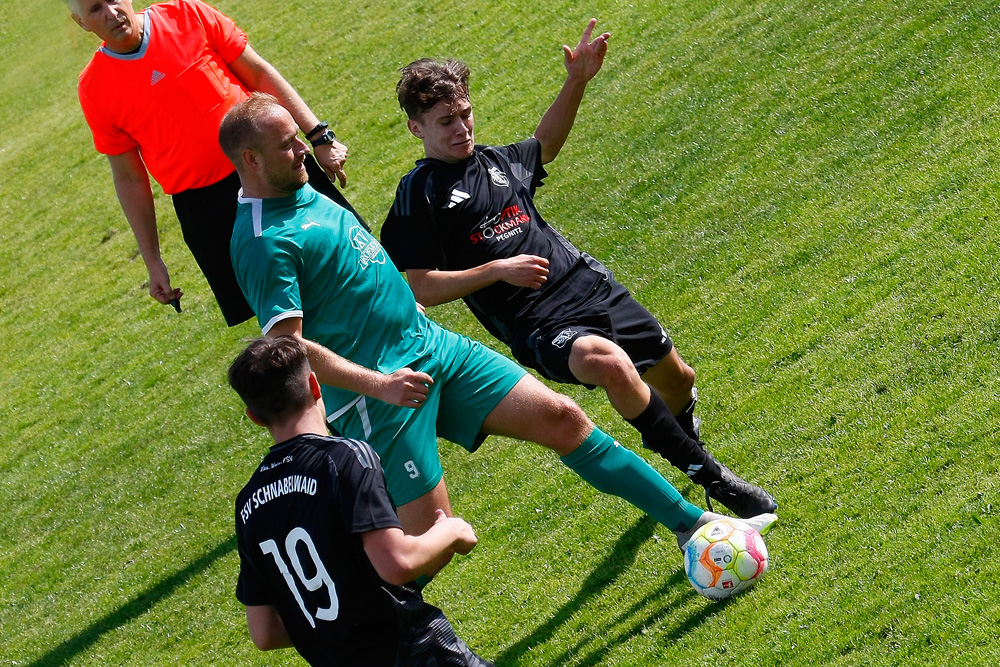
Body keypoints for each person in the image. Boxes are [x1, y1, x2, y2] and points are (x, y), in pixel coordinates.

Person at [219, 93, 776, 555]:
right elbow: (286, 350)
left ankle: (693, 526)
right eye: (287, 144)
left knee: (563, 418)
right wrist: (377, 383)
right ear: (250, 159)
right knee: (428, 547)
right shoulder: (264, 242)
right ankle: (345, 613)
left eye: (299, 137)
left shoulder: (300, 189)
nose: (301, 149)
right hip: (379, 396)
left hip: (433, 348)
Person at [379, 20, 776, 519]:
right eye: (445, 121)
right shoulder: (420, 195)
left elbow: (543, 145)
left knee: (676, 380)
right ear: (417, 128)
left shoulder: (498, 163)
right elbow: (420, 286)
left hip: (591, 287)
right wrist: (498, 269)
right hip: (538, 323)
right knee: (608, 364)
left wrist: (578, 80)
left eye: (465, 113)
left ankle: (681, 440)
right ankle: (713, 479)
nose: (462, 128)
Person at [66, 0, 363, 325]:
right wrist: (153, 261)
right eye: (95, 8)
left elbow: (259, 73)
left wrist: (319, 136)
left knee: (350, 258)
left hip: (270, 166)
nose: (111, 12)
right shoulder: (94, 88)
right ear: (81, 22)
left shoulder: (187, 14)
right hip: (208, 210)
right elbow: (129, 178)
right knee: (283, 316)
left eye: (112, 0)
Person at [229, 335, 493, 666]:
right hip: (410, 650)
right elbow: (396, 564)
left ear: (254, 416)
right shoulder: (345, 457)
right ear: (315, 384)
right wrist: (450, 531)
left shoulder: (249, 502)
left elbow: (264, 633)